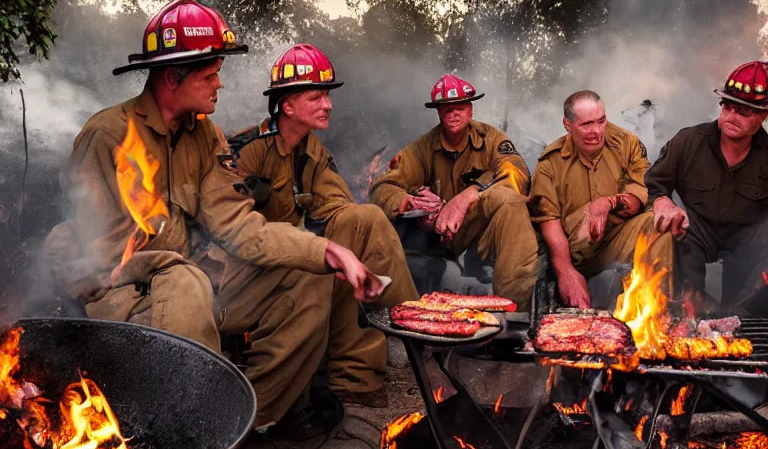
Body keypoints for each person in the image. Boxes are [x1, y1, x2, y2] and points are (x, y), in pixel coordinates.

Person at [42, 0, 388, 431]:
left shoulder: (206, 135)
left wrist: (328, 251)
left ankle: (241, 422)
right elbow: (97, 256)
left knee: (306, 273)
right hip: (124, 298)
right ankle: (187, 430)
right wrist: (169, 269)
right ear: (172, 77)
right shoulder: (107, 136)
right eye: (210, 74)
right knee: (184, 282)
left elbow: (239, 225)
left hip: (196, 283)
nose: (220, 84)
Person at [224, 43, 419, 408]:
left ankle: (376, 360)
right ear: (287, 105)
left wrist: (348, 251)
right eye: (316, 97)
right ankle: (259, 407)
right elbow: (230, 231)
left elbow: (339, 208)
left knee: (365, 220)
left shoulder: (313, 151)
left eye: (327, 96)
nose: (327, 104)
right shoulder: (246, 151)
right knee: (327, 260)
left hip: (299, 256)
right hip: (249, 269)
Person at [368, 74, 540, 310]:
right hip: (442, 241)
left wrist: (468, 196)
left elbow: (517, 173)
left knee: (508, 201)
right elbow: (382, 187)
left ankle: (512, 313)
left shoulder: (492, 140)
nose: (454, 114)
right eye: (447, 109)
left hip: (487, 233)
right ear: (438, 113)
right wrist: (410, 202)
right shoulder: (422, 149)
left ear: (470, 110)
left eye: (460, 107)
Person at [528, 90, 673, 309]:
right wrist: (565, 271)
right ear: (568, 124)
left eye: (601, 121)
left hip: (618, 237)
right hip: (577, 248)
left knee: (659, 223)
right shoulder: (550, 163)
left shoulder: (626, 144)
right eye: (586, 124)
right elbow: (548, 221)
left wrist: (608, 203)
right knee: (587, 216)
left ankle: (656, 311)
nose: (596, 132)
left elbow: (642, 195)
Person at [645, 61, 768, 316]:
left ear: (764, 114)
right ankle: (690, 313)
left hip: (748, 239)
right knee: (678, 229)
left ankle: (740, 317)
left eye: (745, 111)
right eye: (729, 106)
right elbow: (654, 183)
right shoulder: (688, 142)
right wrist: (663, 203)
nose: (733, 116)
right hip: (698, 232)